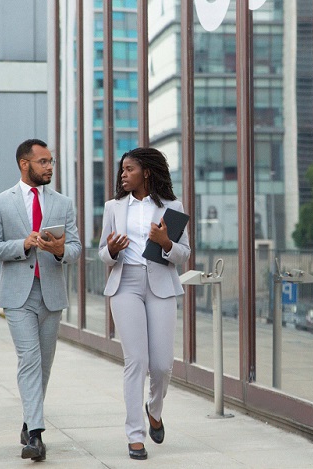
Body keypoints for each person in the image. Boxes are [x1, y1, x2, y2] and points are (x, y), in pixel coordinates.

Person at [0, 138, 81, 461]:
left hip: (51, 293)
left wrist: (59, 250)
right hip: (18, 295)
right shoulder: (1, 202)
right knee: (30, 360)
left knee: (44, 365)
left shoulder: (63, 203)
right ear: (25, 164)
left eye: (51, 162)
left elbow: (76, 249)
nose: (50, 167)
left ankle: (29, 422)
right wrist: (22, 244)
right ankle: (36, 436)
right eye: (44, 162)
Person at [98, 147, 190, 460]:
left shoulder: (172, 206)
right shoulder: (113, 206)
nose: (123, 174)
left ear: (146, 172)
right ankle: (135, 435)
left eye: (129, 169)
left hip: (161, 283)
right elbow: (101, 253)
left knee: (162, 365)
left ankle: (155, 407)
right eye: (122, 170)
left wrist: (166, 244)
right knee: (135, 361)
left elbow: (184, 253)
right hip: (125, 284)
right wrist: (110, 249)